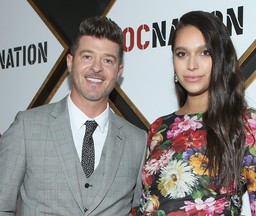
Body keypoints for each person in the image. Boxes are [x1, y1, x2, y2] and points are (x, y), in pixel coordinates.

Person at [136, 11, 256, 215]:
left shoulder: (247, 124)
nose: (191, 65)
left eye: (204, 52)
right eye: (182, 54)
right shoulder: (160, 127)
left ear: (221, 58)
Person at [0, 15, 147, 216]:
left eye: (107, 60)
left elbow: (141, 209)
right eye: (87, 56)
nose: (96, 67)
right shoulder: (27, 127)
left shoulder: (137, 141)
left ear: (118, 71)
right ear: (70, 62)